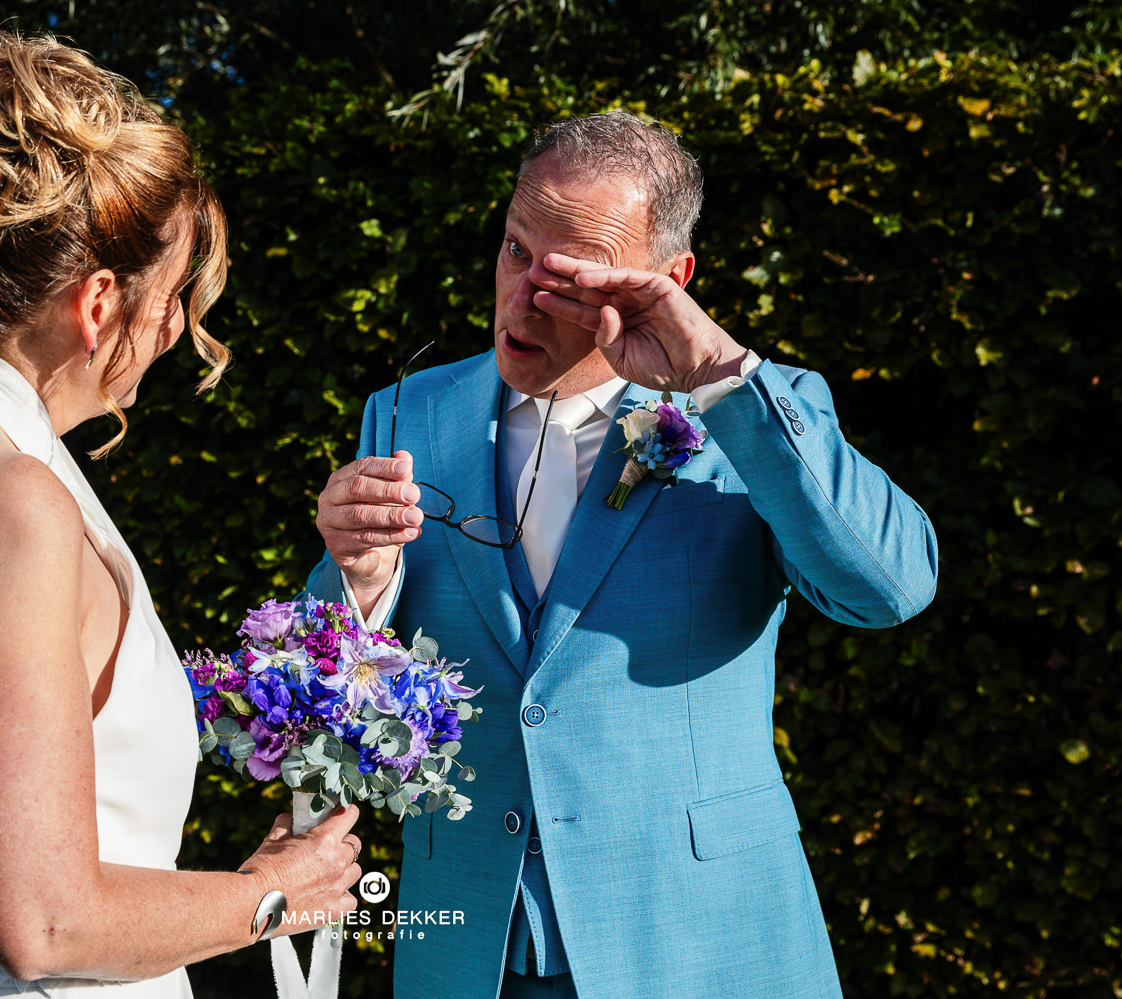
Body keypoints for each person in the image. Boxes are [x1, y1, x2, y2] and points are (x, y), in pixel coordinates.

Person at [307, 111, 938, 999]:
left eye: (568, 277)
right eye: (517, 250)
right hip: (470, 954)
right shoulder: (410, 410)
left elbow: (889, 589)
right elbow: (322, 717)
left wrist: (717, 371)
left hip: (701, 947)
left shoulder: (758, 417)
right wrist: (355, 584)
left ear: (668, 279)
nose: (524, 296)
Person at [0, 31, 361, 999]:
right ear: (100, 300)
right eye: (171, 297)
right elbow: (42, 921)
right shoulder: (16, 504)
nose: (177, 331)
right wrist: (271, 892)